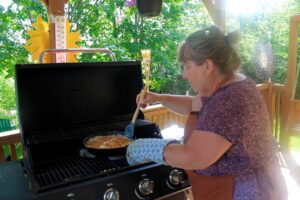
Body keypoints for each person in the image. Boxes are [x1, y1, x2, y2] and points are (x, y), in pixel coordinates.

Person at [126, 25, 288, 200]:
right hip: (255, 184)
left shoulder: (228, 100)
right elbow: (193, 105)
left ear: (208, 65)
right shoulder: (231, 85)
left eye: (187, 66)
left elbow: (194, 156)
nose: (184, 75)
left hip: (245, 192)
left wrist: (146, 148)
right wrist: (158, 98)